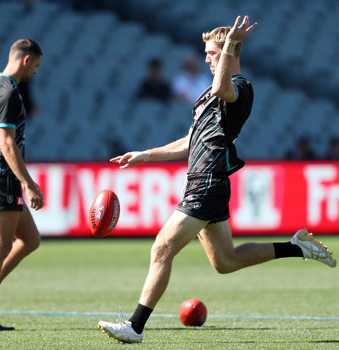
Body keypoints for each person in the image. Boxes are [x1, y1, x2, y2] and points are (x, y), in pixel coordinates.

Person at [98, 16, 336, 344]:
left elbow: (223, 86)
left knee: (162, 247)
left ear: (229, 52)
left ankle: (135, 326)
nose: (207, 58)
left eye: (212, 53)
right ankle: (296, 246)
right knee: (226, 261)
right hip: (203, 181)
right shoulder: (206, 97)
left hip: (208, 183)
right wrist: (146, 154)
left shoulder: (240, 88)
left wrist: (228, 49)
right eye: (208, 53)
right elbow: (189, 141)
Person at [0, 38, 44, 331]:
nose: (35, 71)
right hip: (0, 175)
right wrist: (29, 183)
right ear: (26, 60)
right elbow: (6, 142)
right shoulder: (8, 92)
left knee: (30, 239)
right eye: (35, 65)